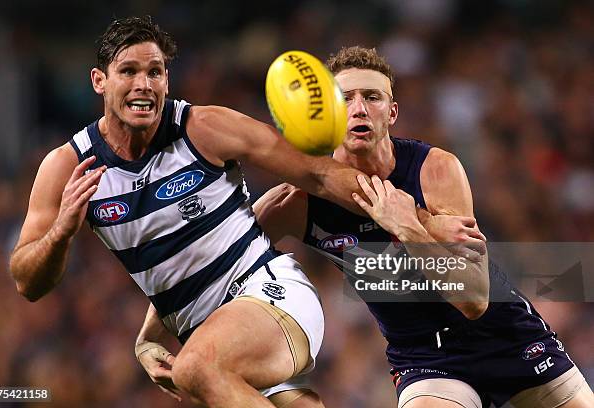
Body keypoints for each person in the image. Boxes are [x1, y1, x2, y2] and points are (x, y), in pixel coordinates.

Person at [137, 47, 594, 407]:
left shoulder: (434, 169)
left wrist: (406, 227)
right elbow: (215, 262)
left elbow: (473, 299)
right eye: (345, 99)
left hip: (508, 335)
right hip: (425, 359)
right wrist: (148, 338)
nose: (358, 108)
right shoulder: (299, 202)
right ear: (324, 113)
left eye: (372, 97)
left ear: (391, 113)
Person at [8, 16, 379, 408]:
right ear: (99, 81)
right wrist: (61, 233)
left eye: (155, 72)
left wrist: (410, 218)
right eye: (128, 71)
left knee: (193, 369)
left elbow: (318, 175)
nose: (144, 84)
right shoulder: (68, 167)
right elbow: (27, 282)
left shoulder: (204, 128)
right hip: (212, 339)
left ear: (167, 80)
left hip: (271, 294)